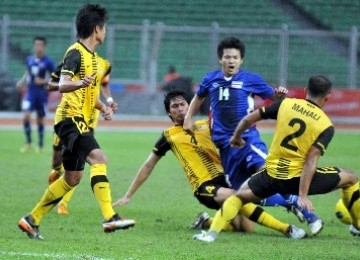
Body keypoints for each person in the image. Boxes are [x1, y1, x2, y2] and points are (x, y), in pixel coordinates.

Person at [113, 89, 306, 238]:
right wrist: (128, 195)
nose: (180, 109)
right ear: (169, 114)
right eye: (175, 107)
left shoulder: (208, 125)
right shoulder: (168, 136)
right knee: (238, 197)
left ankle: (206, 222)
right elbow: (148, 164)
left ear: (190, 106)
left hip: (227, 178)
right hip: (205, 186)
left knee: (245, 228)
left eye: (183, 105)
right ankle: (287, 229)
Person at [193, 75, 360, 242]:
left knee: (238, 197)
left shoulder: (286, 104)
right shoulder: (326, 125)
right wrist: (302, 195)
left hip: (270, 175)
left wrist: (236, 136)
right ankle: (358, 225)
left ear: (306, 91)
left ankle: (210, 235)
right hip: (297, 179)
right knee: (350, 178)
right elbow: (311, 159)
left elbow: (248, 118)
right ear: (328, 97)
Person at [18, 4, 134, 240]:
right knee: (99, 158)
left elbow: (89, 96)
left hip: (77, 118)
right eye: (105, 28)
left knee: (72, 179)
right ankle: (110, 217)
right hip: (70, 119)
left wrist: (104, 108)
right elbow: (61, 85)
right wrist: (80, 84)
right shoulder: (76, 53)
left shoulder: (92, 58)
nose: (106, 32)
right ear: (96, 29)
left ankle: (32, 220)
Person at [183, 36, 322, 234]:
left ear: (241, 60)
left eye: (235, 57)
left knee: (270, 175)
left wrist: (279, 94)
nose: (231, 61)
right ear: (220, 59)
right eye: (227, 57)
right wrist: (189, 117)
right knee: (245, 194)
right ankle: (291, 203)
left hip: (248, 141)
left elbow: (272, 95)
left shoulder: (250, 79)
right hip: (226, 147)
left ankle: (310, 216)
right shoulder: (210, 79)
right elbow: (199, 96)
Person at [47, 56, 118, 215]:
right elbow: (51, 85)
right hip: (67, 119)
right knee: (57, 160)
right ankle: (56, 172)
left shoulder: (104, 64)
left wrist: (109, 101)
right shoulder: (72, 58)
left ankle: (63, 204)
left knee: (80, 165)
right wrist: (72, 84)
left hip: (87, 122)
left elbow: (104, 84)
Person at [16, 36, 55, 153]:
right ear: (34, 46)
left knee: (39, 119)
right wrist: (21, 81)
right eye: (37, 45)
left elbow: (55, 78)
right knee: (26, 116)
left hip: (41, 93)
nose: (39, 47)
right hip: (30, 92)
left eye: (41, 45)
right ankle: (28, 142)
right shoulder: (29, 59)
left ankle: (41, 145)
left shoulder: (48, 61)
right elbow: (28, 73)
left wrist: (43, 81)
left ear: (44, 47)